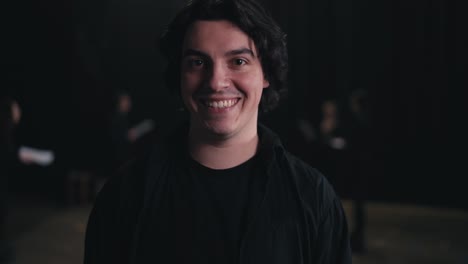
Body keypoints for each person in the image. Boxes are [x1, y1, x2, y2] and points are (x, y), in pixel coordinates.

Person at [84, 0, 352, 263]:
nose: (215, 82)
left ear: (266, 73)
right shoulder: (124, 196)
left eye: (238, 61)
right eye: (198, 63)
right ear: (179, 75)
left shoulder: (314, 198)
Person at [0, 96, 33, 263]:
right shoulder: (4, 131)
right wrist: (18, 157)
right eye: (16, 108)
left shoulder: (8, 131)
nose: (19, 111)